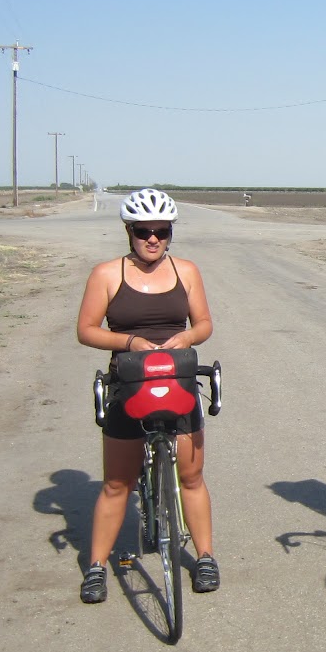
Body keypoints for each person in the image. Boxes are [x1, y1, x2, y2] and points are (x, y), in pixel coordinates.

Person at [75, 188, 216, 604]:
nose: (152, 239)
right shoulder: (106, 274)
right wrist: (130, 341)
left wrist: (187, 336)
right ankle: (97, 566)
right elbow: (87, 330)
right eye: (143, 231)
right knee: (117, 484)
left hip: (178, 378)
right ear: (129, 231)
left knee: (191, 478)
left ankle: (206, 556)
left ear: (171, 232)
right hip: (130, 382)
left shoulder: (186, 271)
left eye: (161, 231)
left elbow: (205, 322)